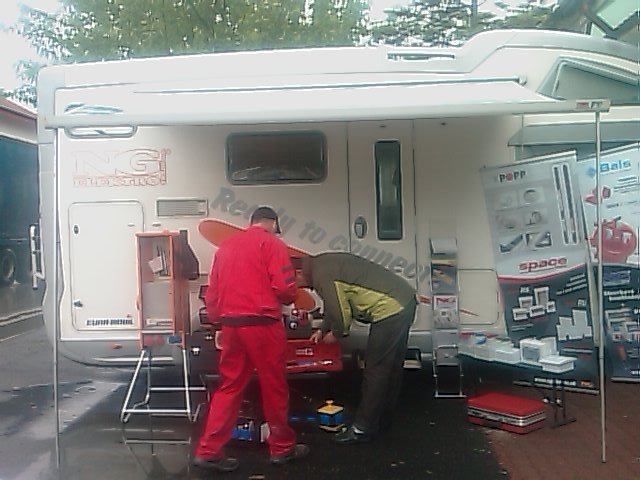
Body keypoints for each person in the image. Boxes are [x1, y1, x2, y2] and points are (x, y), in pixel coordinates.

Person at [194, 206, 309, 472]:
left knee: (230, 386)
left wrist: (218, 321)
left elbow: (213, 291)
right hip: (262, 325)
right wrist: (291, 298)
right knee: (274, 386)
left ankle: (208, 450)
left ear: (252, 222)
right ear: (273, 224)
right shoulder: (272, 244)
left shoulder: (226, 247)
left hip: (231, 326)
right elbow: (284, 287)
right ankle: (281, 448)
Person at [294, 252, 418, 444]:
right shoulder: (321, 265)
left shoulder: (321, 275)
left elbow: (340, 314)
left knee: (376, 369)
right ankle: (381, 422)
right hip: (403, 300)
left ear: (298, 272)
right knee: (391, 368)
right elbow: (336, 301)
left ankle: (363, 428)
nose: (296, 287)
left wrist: (335, 334)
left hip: (391, 308)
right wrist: (322, 329)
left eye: (294, 282)